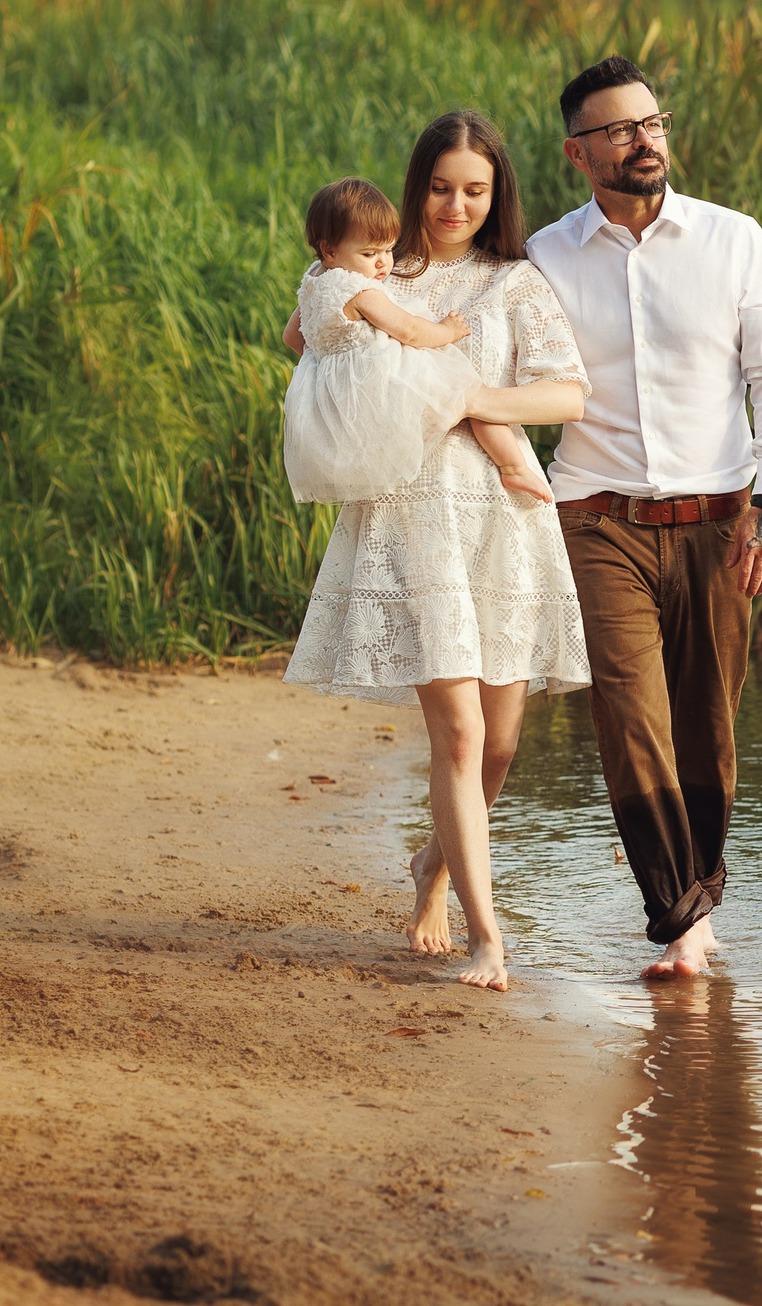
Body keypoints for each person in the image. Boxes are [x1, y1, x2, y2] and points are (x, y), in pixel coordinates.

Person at [282, 112, 592, 992]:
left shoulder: (514, 283)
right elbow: (305, 342)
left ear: (495, 196)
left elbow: (569, 393)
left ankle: (436, 864)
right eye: (441, 185)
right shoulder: (373, 265)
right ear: (418, 184)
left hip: (500, 518)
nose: (455, 204)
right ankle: (487, 938)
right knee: (455, 734)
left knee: (497, 743)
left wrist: (469, 398)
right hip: (411, 519)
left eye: (475, 189)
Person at [526, 57, 762, 980]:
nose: (646, 140)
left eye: (654, 122)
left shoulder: (735, 242)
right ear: (579, 153)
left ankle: (701, 892)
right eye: (620, 129)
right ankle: (678, 919)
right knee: (630, 716)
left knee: (707, 727)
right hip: (596, 519)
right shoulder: (543, 258)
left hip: (721, 522)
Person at [280, 176, 553, 508]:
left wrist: (335, 356)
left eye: (387, 250)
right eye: (369, 253)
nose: (383, 262)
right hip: (386, 371)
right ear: (329, 250)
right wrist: (448, 331)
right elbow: (408, 330)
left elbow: (293, 336)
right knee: (468, 392)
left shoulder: (315, 280)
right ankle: (513, 466)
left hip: (340, 392)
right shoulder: (358, 288)